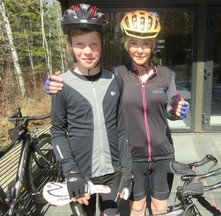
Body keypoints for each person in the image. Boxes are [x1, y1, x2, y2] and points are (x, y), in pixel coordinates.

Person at [46, 10, 190, 216]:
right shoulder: (117, 75)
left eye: (146, 44)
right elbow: (89, 84)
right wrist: (53, 84)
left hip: (164, 153)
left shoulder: (166, 75)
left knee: (160, 209)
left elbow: (172, 105)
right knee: (137, 208)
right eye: (134, 43)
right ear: (126, 45)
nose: (140, 50)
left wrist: (177, 109)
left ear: (153, 45)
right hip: (133, 155)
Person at [50, 4, 132, 216]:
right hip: (81, 173)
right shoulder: (62, 84)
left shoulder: (115, 80)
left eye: (94, 44)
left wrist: (127, 171)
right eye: (80, 44)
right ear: (70, 45)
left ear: (102, 44)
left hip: (113, 173)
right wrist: (71, 172)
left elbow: (122, 130)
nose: (87, 51)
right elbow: (57, 132)